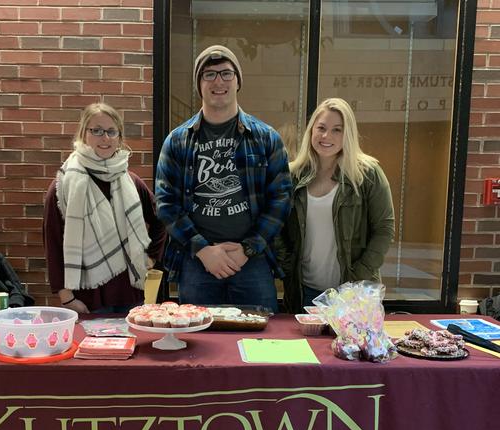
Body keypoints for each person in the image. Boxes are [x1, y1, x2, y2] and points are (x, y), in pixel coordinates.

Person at [155, 45, 291, 312]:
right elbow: (165, 203)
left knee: (261, 342)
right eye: (209, 75)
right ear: (199, 84)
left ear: (238, 81)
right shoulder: (178, 141)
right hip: (197, 262)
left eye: (226, 74)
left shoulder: (266, 138)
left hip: (252, 261)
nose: (219, 81)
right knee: (201, 344)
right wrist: (204, 250)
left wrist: (247, 250)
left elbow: (282, 199)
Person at [43, 102, 166, 314]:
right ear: (84, 134)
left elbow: (161, 220)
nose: (105, 138)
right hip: (86, 298)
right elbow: (53, 243)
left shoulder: (132, 182)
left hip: (131, 294)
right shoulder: (63, 186)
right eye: (97, 131)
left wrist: (152, 257)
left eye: (111, 131)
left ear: (119, 137)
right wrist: (66, 298)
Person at [279, 97, 395, 313]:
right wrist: (287, 267)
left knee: (351, 348)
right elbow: (278, 227)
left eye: (337, 130)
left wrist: (356, 278)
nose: (326, 136)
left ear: (348, 134)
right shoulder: (292, 175)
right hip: (304, 292)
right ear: (311, 130)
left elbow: (384, 230)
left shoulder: (367, 174)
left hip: (354, 293)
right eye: (321, 128)